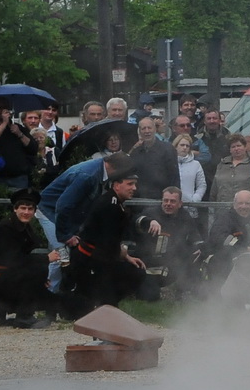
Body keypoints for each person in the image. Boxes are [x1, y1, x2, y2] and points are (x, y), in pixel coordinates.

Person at [71, 164, 146, 311]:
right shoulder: (110, 205)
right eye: (130, 184)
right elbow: (107, 242)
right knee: (104, 306)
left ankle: (102, 303)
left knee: (136, 272)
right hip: (92, 261)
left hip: (104, 259)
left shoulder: (115, 202)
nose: (134, 188)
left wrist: (126, 256)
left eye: (135, 184)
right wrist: (122, 253)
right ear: (116, 185)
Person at [0, 188, 59, 327]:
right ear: (15, 209)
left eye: (30, 209)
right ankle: (24, 316)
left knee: (40, 276)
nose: (26, 212)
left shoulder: (23, 227)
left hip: (6, 274)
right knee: (38, 271)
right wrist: (46, 259)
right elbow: (13, 260)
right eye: (23, 208)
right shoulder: (5, 228)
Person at [140, 185, 204, 298]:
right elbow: (136, 221)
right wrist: (149, 221)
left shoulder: (185, 217)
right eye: (165, 200)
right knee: (150, 296)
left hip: (175, 263)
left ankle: (186, 291)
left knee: (196, 258)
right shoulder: (151, 213)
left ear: (180, 204)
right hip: (151, 263)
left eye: (172, 201)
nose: (168, 204)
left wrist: (199, 248)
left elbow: (195, 237)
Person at [204, 190, 250, 284]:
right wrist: (244, 248)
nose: (243, 206)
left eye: (247, 203)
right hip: (225, 262)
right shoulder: (225, 218)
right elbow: (218, 238)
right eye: (240, 203)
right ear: (234, 205)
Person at [127, 115, 174, 201]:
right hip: (139, 199)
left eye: (149, 128)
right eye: (143, 128)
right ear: (139, 131)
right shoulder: (135, 152)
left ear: (155, 129)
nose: (147, 131)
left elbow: (174, 177)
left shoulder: (168, 149)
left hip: (161, 199)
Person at [211, 134, 250, 203]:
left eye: (239, 146)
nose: (236, 149)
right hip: (223, 206)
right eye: (233, 147)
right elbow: (214, 189)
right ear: (230, 150)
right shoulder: (222, 164)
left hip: (245, 206)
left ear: (245, 147)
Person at [172, 134, 208, 204]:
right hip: (171, 203)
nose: (184, 147)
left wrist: (195, 199)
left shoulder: (196, 164)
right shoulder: (169, 163)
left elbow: (201, 185)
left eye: (187, 146)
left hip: (190, 204)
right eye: (182, 145)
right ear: (176, 146)